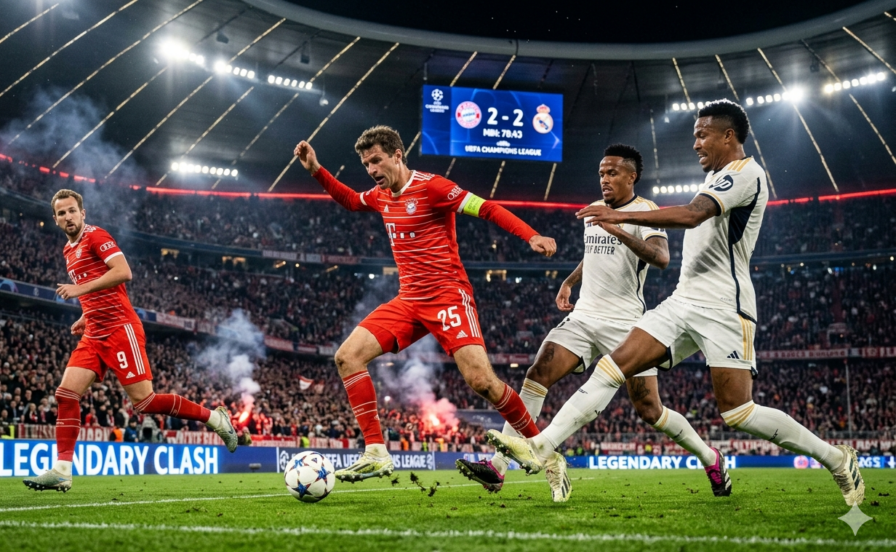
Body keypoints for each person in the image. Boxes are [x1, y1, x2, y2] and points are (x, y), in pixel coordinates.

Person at [490, 100, 864, 506]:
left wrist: (619, 220)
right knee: (611, 368)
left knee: (737, 412)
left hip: (724, 306)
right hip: (682, 301)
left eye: (703, 135)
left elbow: (691, 216)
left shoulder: (747, 174)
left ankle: (835, 458)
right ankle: (541, 447)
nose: (696, 144)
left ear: (728, 136)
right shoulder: (716, 177)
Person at [460, 144, 729, 500]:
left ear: (632, 176)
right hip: (584, 317)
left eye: (612, 173)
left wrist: (618, 228)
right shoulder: (593, 211)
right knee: (538, 372)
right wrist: (570, 281)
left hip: (626, 325)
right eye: (601, 173)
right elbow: (595, 256)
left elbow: (661, 258)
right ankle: (498, 467)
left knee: (650, 409)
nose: (604, 179)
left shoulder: (645, 211)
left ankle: (710, 458)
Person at [294, 126, 557, 482]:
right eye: (366, 164)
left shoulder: (433, 187)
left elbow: (487, 208)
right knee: (347, 356)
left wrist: (531, 235)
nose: (371, 170)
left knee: (482, 381)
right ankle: (376, 452)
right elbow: (351, 200)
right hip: (409, 301)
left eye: (376, 160)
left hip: (447, 295)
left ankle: (542, 450)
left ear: (397, 155)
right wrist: (315, 169)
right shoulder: (380, 195)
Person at [23, 189, 244, 493]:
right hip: (94, 332)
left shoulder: (96, 236)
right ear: (55, 219)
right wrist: (86, 315)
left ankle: (215, 419)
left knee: (145, 402)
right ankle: (62, 470)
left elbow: (123, 272)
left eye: (72, 210)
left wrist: (79, 291)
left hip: (120, 328)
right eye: (62, 213)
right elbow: (96, 288)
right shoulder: (68, 250)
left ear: (82, 213)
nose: (68, 216)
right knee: (66, 395)